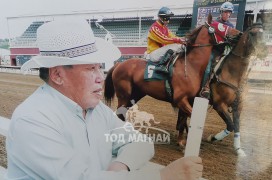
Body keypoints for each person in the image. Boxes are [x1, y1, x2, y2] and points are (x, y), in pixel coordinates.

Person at [5, 19, 203, 179]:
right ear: (57, 75)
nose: (101, 77)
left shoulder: (96, 110)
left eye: (99, 67)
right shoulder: (32, 120)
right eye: (91, 68)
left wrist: (121, 165)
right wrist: (163, 176)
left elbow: (142, 141)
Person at [200, 1, 235, 98]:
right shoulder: (214, 23)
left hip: (224, 52)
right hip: (213, 50)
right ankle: (204, 87)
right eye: (225, 12)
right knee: (208, 68)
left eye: (229, 12)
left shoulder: (231, 26)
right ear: (221, 12)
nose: (227, 14)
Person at [145, 7, 186, 74]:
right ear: (161, 18)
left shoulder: (165, 28)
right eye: (167, 18)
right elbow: (163, 40)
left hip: (161, 53)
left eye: (169, 18)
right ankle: (161, 66)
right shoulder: (154, 28)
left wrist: (184, 39)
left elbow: (173, 37)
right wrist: (179, 40)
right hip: (153, 54)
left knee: (178, 45)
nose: (168, 20)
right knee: (174, 46)